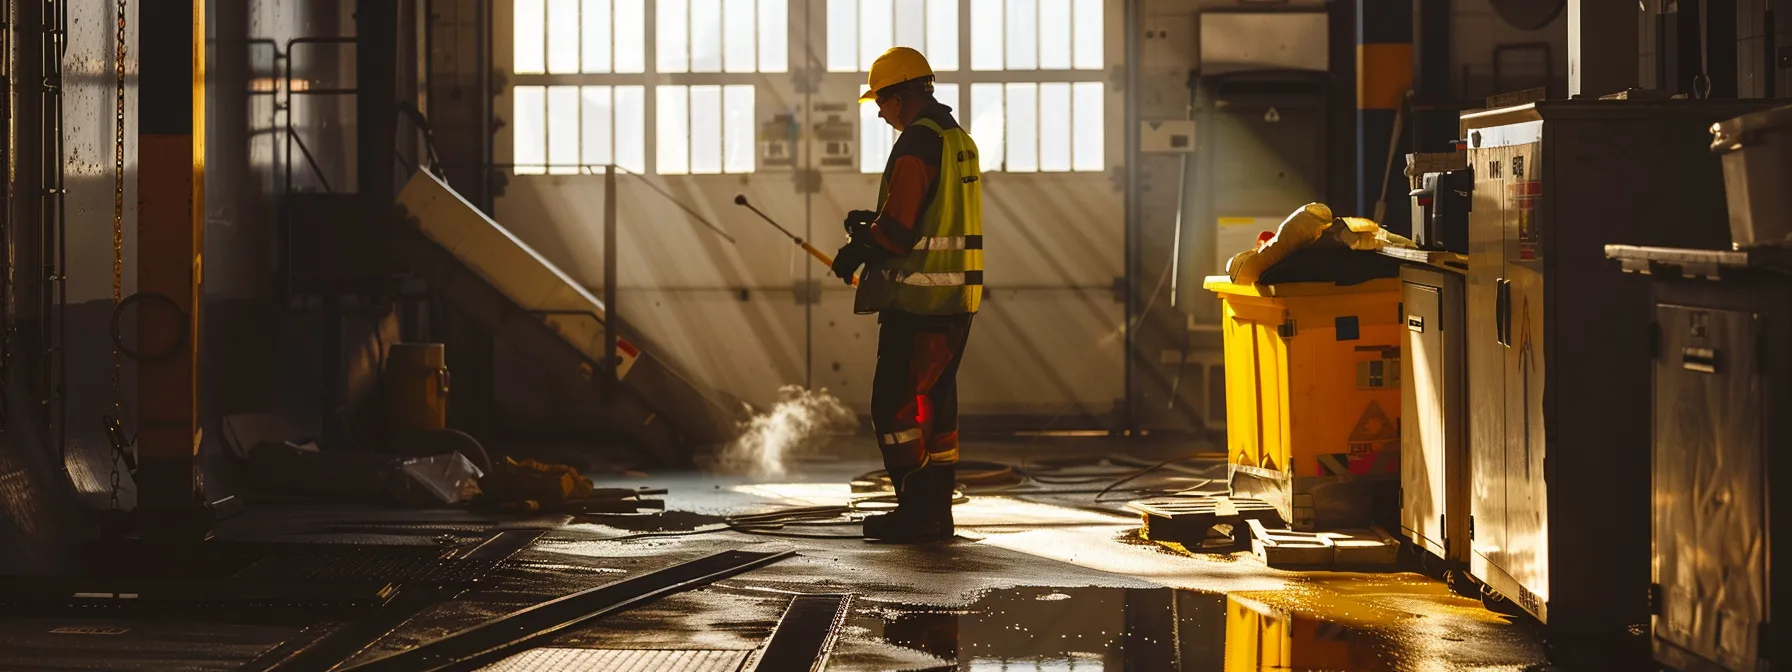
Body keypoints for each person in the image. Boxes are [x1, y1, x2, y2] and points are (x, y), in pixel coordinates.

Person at [830, 46, 983, 543]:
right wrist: (868, 226)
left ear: (900, 97)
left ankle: (916, 515)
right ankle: (938, 515)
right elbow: (930, 215)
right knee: (936, 408)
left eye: (880, 100)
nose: (877, 111)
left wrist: (858, 248)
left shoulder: (917, 143)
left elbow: (899, 231)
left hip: (919, 302)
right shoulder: (957, 138)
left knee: (893, 408)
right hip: (956, 301)